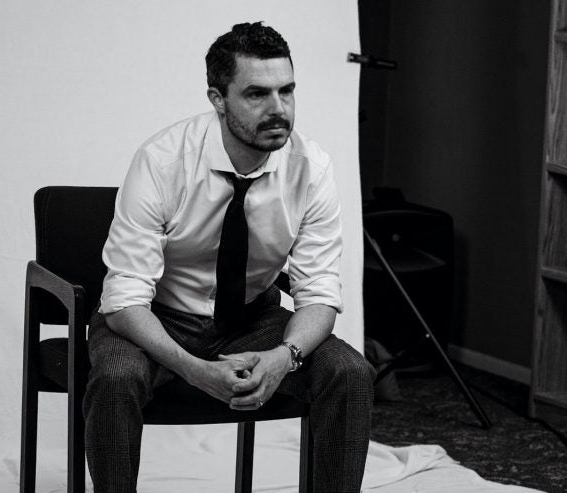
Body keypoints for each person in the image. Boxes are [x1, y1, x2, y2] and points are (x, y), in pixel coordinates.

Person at [83, 21, 375, 492]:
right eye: (257, 94)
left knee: (350, 373)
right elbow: (124, 299)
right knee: (117, 377)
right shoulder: (162, 161)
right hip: (157, 317)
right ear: (218, 99)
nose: (278, 109)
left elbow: (319, 292)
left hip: (249, 319)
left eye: (287, 91)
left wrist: (284, 356)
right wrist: (195, 370)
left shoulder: (311, 168)